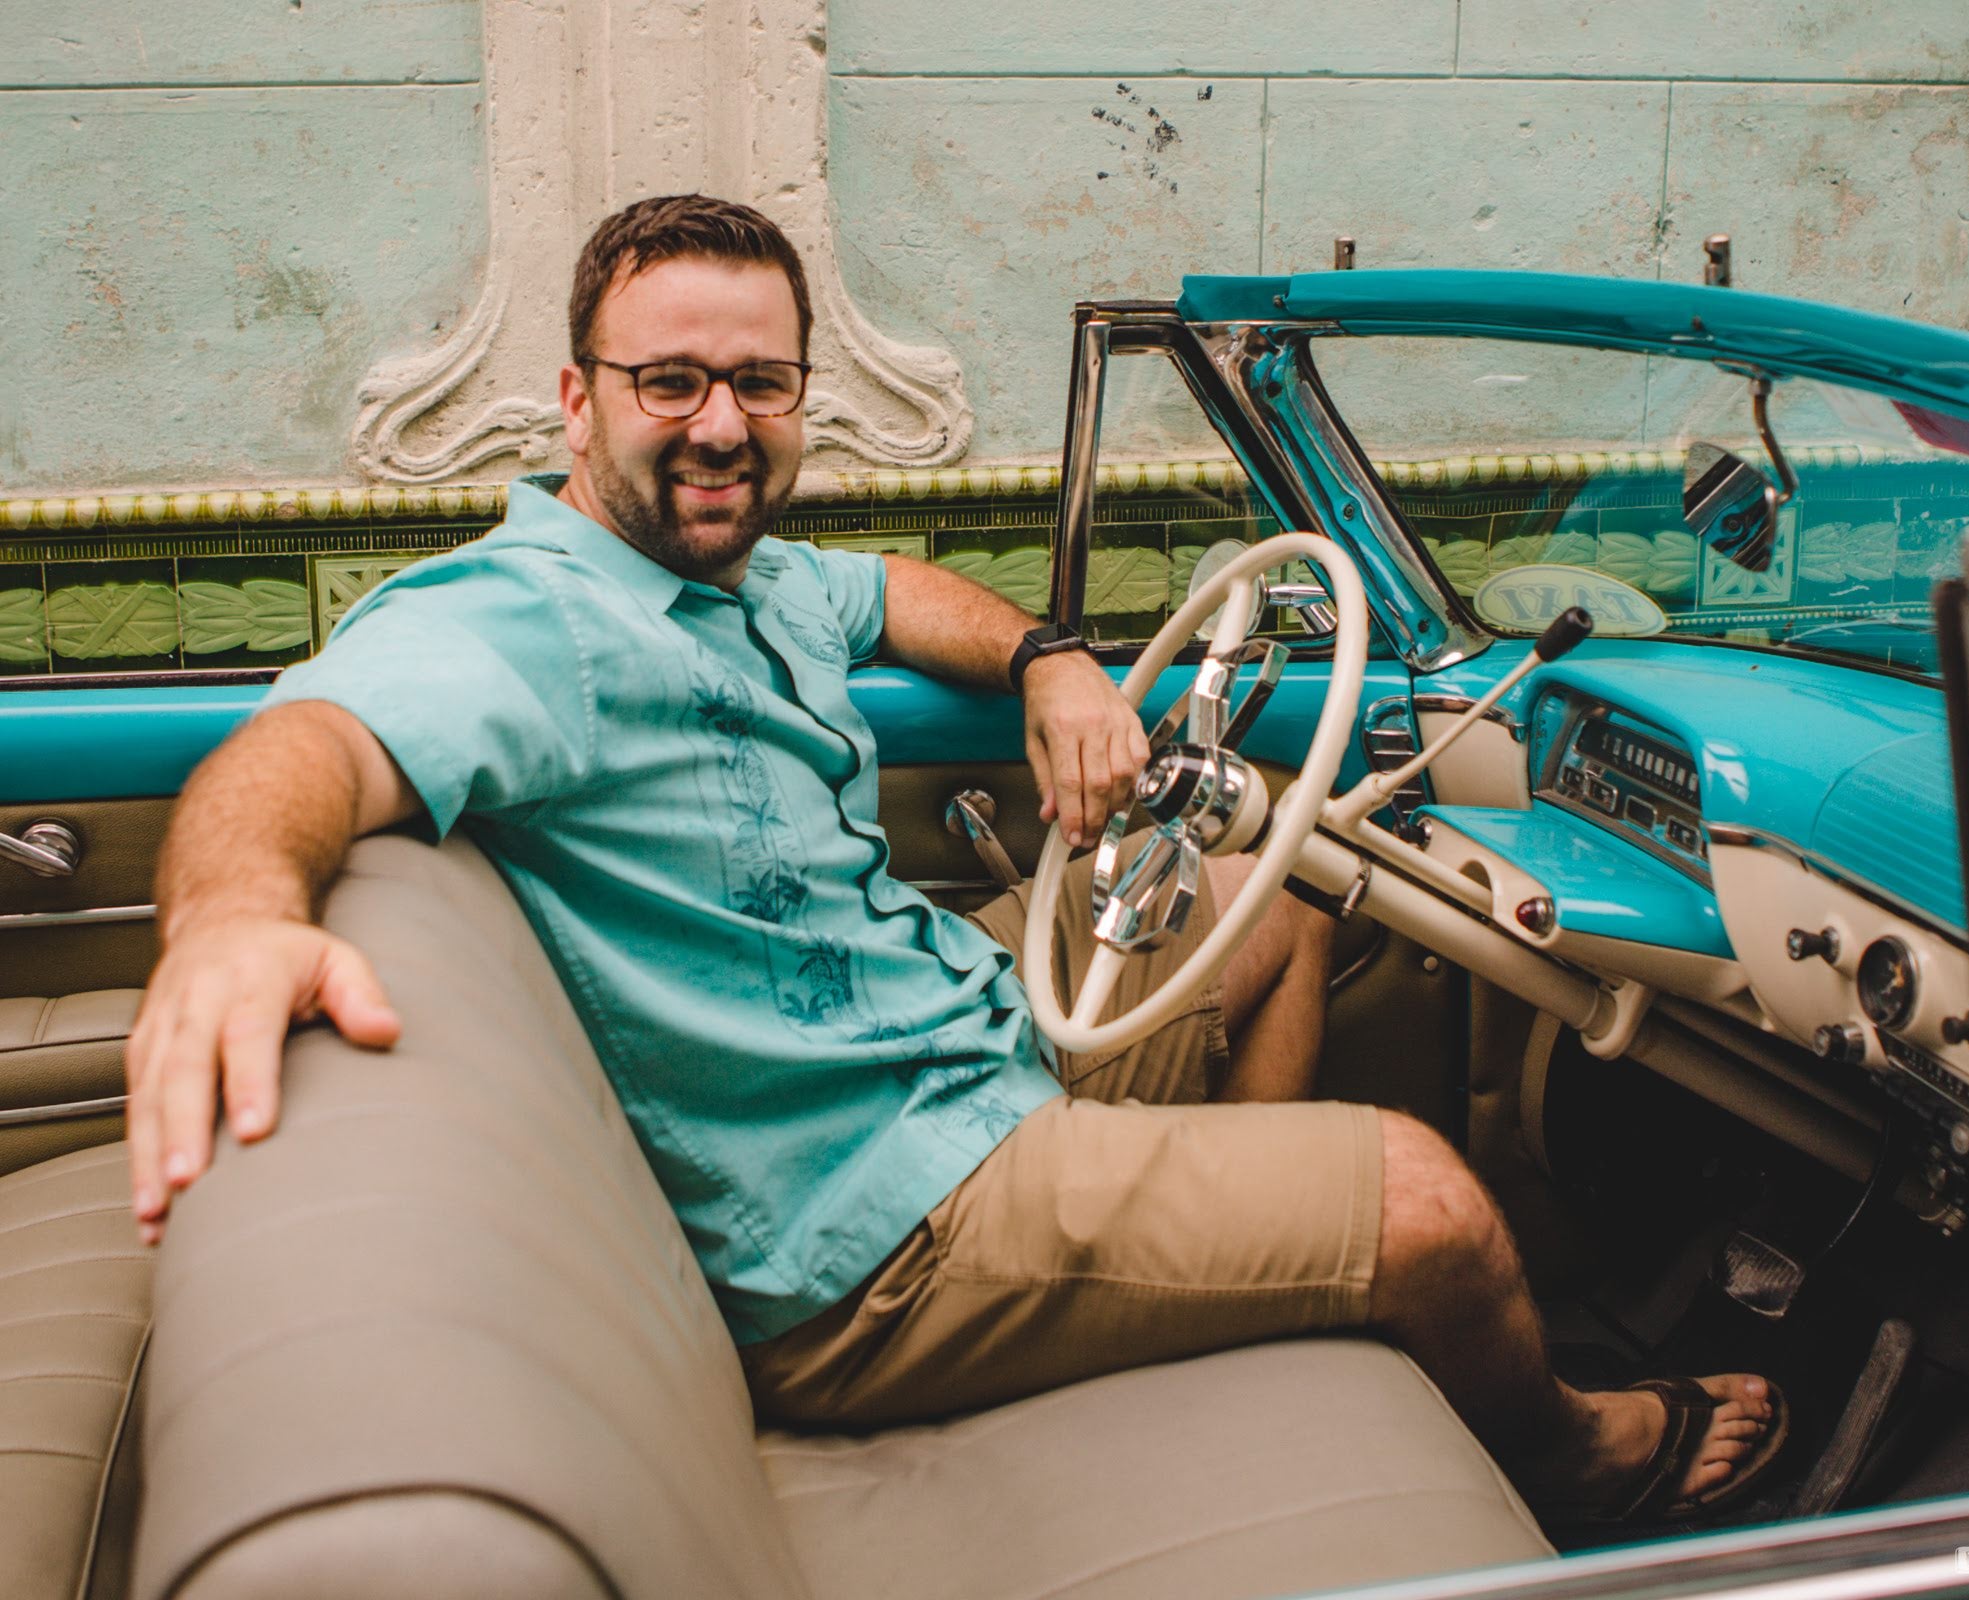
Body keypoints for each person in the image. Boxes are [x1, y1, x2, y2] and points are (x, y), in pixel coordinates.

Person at [126, 194, 1782, 1523]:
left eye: (760, 384)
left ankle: (1254, 1261)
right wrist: (230, 924)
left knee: (1268, 902)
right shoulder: (525, 618)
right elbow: (300, 748)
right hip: (870, 1238)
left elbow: (899, 587)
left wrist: (1055, 660)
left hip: (965, 1056)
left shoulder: (744, 574)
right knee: (1428, 1203)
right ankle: (1569, 1451)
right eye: (669, 382)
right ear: (578, 400)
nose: (720, 424)